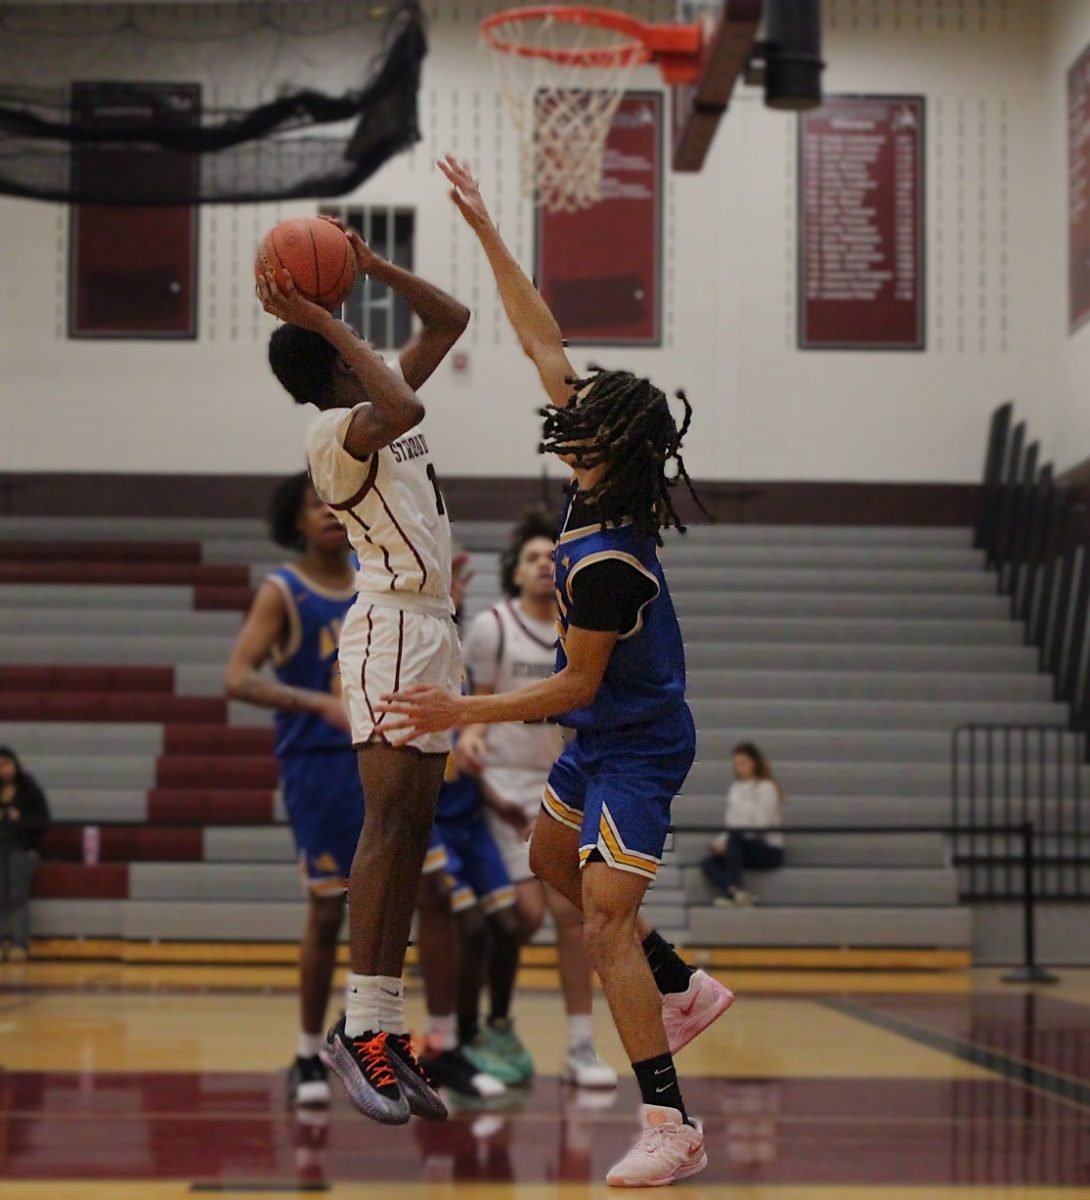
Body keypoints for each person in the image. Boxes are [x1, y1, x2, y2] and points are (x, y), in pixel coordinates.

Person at [377, 156, 735, 1187]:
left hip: (636, 745)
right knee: (548, 866)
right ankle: (683, 985)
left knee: (603, 920)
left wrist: (460, 707)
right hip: (600, 738)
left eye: (583, 421)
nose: (562, 416)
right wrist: (488, 229)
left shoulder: (615, 556)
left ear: (615, 451)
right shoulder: (592, 467)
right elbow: (539, 331)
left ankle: (671, 1124)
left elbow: (574, 690)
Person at [256, 214, 469, 1126]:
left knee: (413, 835)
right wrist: (325, 315)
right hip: (386, 628)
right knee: (387, 830)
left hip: (433, 629)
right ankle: (360, 1029)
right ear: (333, 364)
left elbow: (451, 319)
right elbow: (409, 407)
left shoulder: (373, 406)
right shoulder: (339, 437)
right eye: (345, 342)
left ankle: (383, 1026)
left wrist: (370, 265)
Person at [459, 508, 617, 1089]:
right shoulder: (492, 627)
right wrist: (471, 739)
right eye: (531, 556)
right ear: (514, 569)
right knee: (520, 918)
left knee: (571, 918)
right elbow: (473, 705)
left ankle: (580, 1045)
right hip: (502, 791)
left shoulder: (579, 631)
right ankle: (484, 1024)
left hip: (562, 786)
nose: (542, 564)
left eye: (552, 555)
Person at [224, 472, 361, 1107]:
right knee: (329, 908)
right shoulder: (284, 591)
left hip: (381, 759)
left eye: (338, 499)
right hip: (318, 766)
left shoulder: (377, 578)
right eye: (316, 504)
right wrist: (318, 704)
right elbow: (238, 678)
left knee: (405, 905)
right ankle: (308, 1054)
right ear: (296, 519)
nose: (330, 512)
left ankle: (383, 1039)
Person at [701, 742, 785, 907]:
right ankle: (737, 893)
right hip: (739, 845)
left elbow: (762, 825)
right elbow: (731, 823)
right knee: (708, 862)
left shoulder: (766, 787)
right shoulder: (736, 788)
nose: (740, 768)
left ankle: (734, 894)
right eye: (737, 764)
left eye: (743, 763)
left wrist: (733, 839)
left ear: (754, 763)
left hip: (768, 848)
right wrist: (721, 843)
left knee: (735, 839)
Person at [0, 747, 50, 963]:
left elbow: (43, 822)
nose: (2, 770)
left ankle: (19, 944)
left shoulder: (29, 789)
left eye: (6, 764)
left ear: (15, 764)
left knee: (18, 895)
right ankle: (2, 942)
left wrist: (19, 819)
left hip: (22, 849)